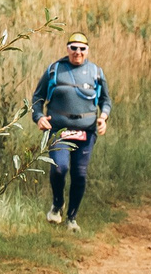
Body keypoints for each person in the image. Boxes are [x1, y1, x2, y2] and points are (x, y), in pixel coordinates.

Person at [30, 33, 110, 230]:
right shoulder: (54, 69)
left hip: (86, 133)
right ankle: (57, 204)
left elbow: (105, 101)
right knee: (60, 168)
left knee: (80, 174)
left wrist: (103, 117)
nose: (78, 52)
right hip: (59, 130)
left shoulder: (96, 72)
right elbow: (38, 98)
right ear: (67, 49)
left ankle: (71, 219)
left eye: (82, 49)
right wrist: (39, 117)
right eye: (74, 48)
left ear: (87, 51)